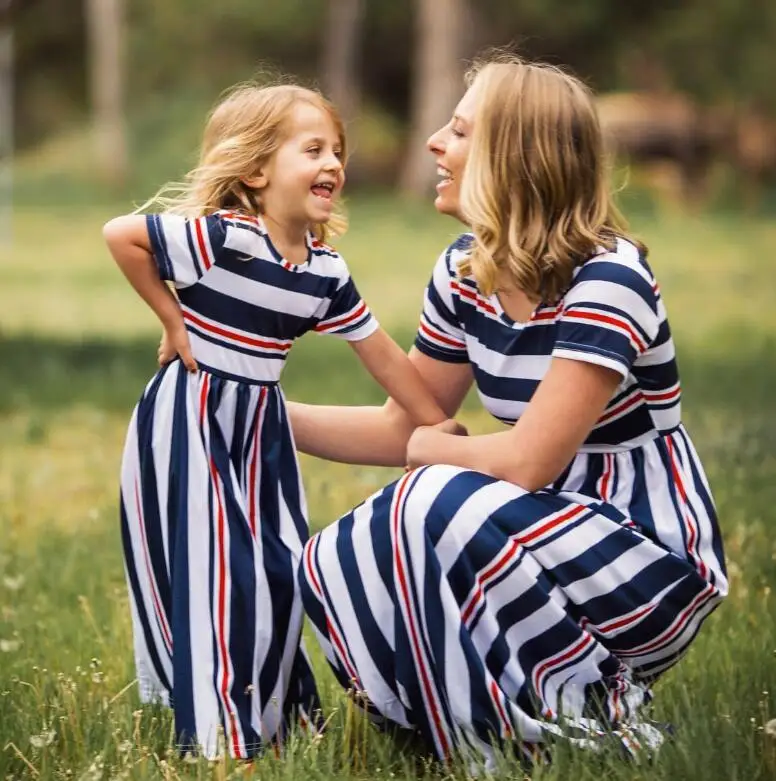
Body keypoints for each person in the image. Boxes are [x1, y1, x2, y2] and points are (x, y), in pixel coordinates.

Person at [289, 54, 728, 767]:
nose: (434, 142)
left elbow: (528, 460)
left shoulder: (610, 278)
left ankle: (588, 722)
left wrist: (435, 453)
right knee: (330, 555)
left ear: (515, 156)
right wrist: (251, 408)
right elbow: (405, 425)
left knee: (427, 496)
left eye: (459, 132)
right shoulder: (467, 270)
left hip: (644, 557)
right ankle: (453, 736)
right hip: (533, 535)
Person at [103, 81, 453, 760]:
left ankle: (281, 719)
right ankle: (219, 738)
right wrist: (174, 320)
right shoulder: (227, 239)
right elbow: (122, 235)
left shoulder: (323, 270)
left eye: (338, 151)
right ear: (257, 170)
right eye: (313, 148)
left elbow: (379, 353)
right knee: (218, 570)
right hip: (191, 420)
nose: (333, 164)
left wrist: (437, 420)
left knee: (275, 566)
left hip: (261, 428)